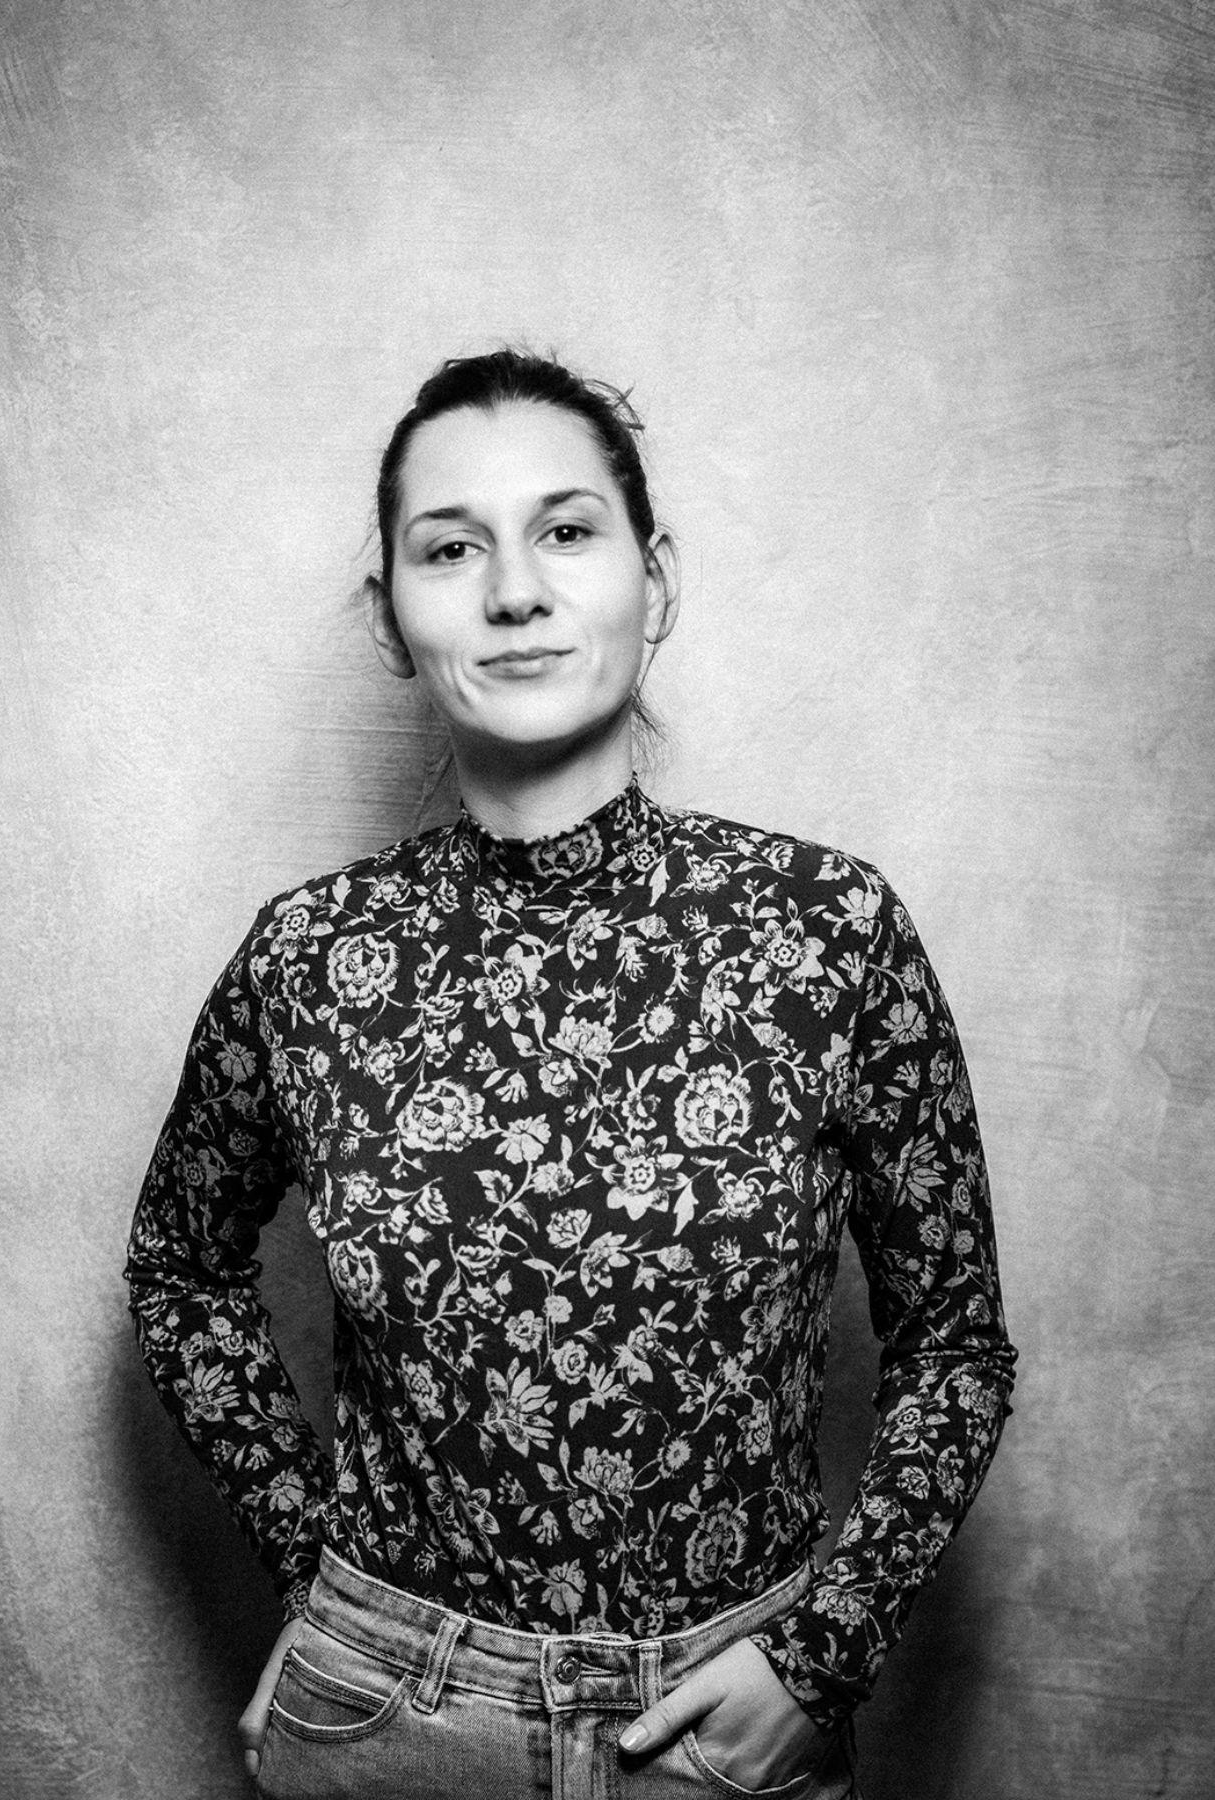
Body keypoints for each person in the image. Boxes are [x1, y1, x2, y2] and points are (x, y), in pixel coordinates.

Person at [125, 349, 1016, 1800]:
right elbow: (179, 1271)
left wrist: (823, 1654)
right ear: (391, 617)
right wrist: (319, 1578)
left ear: (651, 581)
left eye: (565, 529)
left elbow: (955, 1346)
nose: (514, 591)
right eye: (451, 547)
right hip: (391, 1724)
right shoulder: (307, 958)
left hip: (716, 1738)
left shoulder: (825, 931)